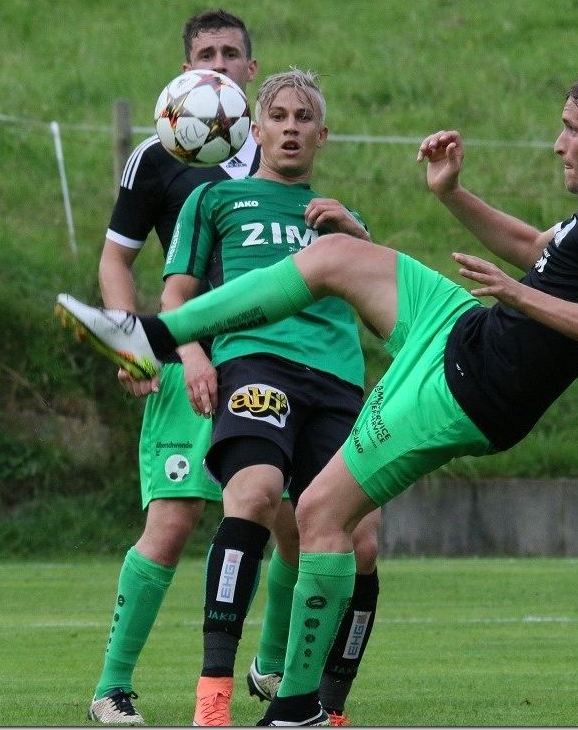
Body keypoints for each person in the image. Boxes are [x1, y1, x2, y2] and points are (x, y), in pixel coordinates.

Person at [57, 64, 578, 725]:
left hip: (468, 385)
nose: (558, 143)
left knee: (322, 512)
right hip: (464, 331)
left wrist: (518, 293)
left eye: (570, 130)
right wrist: (451, 194)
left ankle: (296, 706)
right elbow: (533, 246)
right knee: (333, 258)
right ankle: (146, 334)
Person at [161, 68, 382, 727]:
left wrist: (354, 235)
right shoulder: (216, 201)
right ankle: (213, 700)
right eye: (278, 116)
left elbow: (384, 309)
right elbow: (176, 294)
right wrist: (193, 352)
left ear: (322, 134)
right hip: (255, 363)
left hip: (337, 381)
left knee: (359, 542)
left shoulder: (338, 219)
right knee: (254, 494)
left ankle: (323, 708)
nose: (290, 126)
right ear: (254, 130)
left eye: (302, 117)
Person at [85, 9, 273, 726]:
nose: (219, 65)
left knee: (289, 514)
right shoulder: (156, 156)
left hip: (266, 359)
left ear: (250, 72)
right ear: (184, 72)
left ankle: (272, 664)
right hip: (182, 355)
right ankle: (113, 684)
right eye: (205, 55)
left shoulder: (276, 147)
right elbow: (116, 259)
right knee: (171, 520)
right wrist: (134, 345)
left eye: (231, 54)